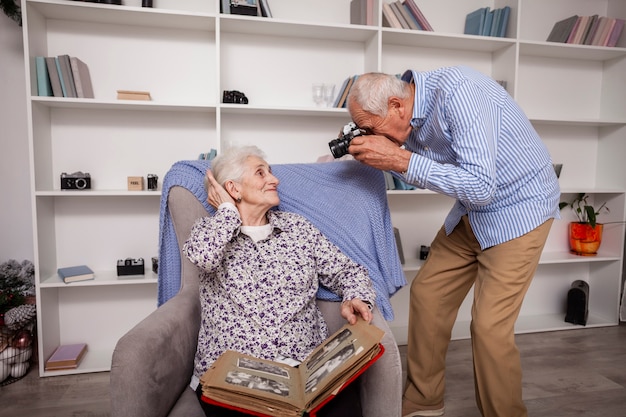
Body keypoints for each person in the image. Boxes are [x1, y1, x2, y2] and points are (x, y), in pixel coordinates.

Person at [345, 66, 560, 417]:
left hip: (521, 210)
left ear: (398, 105)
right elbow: (443, 174)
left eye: (371, 128)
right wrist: (383, 155)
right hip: (473, 212)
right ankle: (424, 401)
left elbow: (480, 185)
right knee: (429, 294)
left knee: (490, 327)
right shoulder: (408, 120)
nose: (371, 135)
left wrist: (399, 159)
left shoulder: (461, 94)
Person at [183, 145, 376, 417]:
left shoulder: (298, 229)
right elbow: (202, 257)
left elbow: (348, 270)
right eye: (261, 173)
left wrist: (355, 296)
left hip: (303, 370)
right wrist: (228, 211)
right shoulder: (209, 232)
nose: (274, 179)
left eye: (270, 172)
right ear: (233, 189)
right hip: (235, 379)